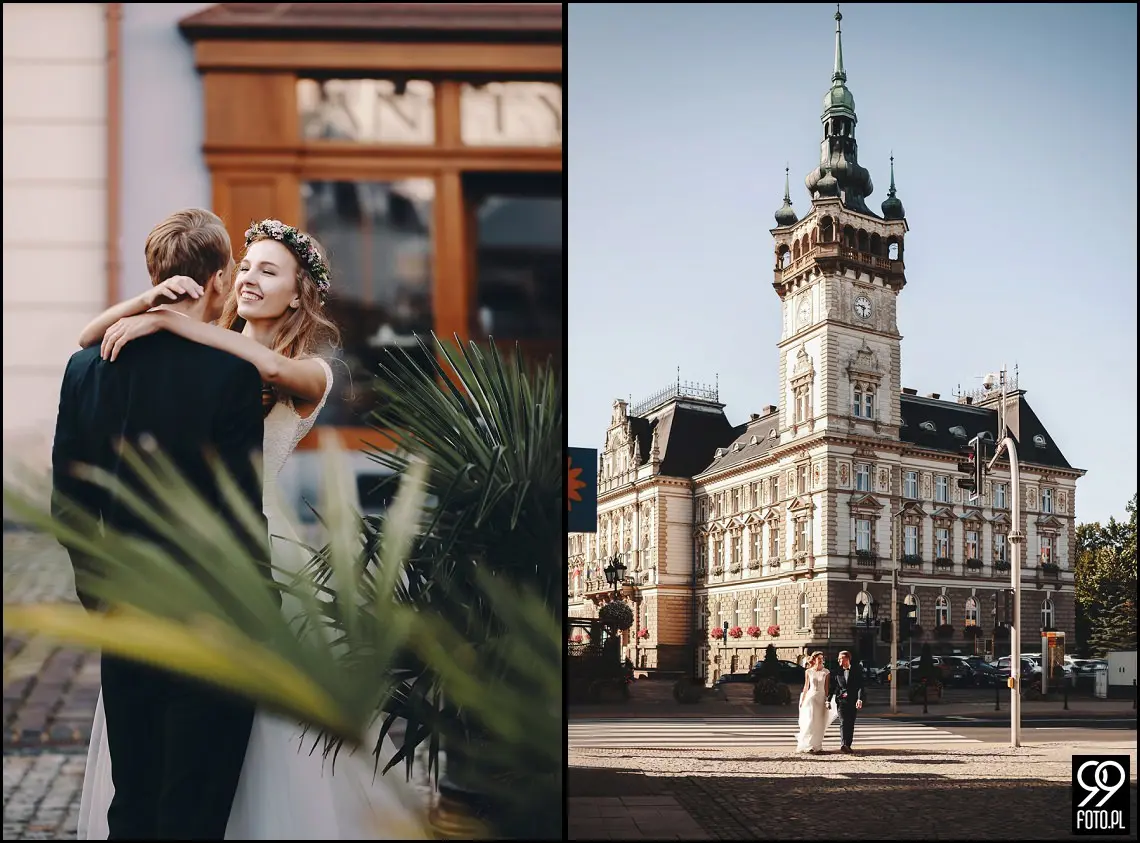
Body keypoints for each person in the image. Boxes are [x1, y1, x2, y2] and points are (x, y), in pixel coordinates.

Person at [75, 216, 426, 839]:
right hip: (185, 551)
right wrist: (148, 305)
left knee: (266, 729)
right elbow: (88, 339)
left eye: (269, 271)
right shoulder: (208, 342)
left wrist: (169, 324)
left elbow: (265, 365)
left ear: (297, 294)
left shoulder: (313, 369)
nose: (249, 279)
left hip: (259, 558)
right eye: (244, 266)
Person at [53, 208, 268, 839]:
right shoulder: (232, 373)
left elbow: (69, 503)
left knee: (135, 798)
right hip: (212, 619)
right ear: (220, 279)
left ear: (156, 274)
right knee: (192, 808)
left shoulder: (85, 367)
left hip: (124, 612)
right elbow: (239, 511)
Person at [794, 652, 836, 754]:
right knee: (810, 721)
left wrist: (827, 700)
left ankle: (817, 745)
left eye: (822, 658)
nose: (821, 660)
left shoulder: (826, 672)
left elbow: (827, 688)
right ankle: (808, 745)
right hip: (811, 698)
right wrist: (803, 700)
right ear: (814, 659)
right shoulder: (808, 671)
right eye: (819, 658)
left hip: (821, 698)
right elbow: (806, 686)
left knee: (820, 722)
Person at [826, 649, 865, 754]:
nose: (839, 661)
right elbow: (832, 687)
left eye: (841, 659)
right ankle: (843, 744)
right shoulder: (837, 672)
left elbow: (860, 686)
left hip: (853, 700)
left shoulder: (857, 670)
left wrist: (859, 699)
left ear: (847, 659)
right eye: (838, 659)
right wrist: (828, 700)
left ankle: (848, 744)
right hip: (841, 701)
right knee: (843, 721)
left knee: (850, 723)